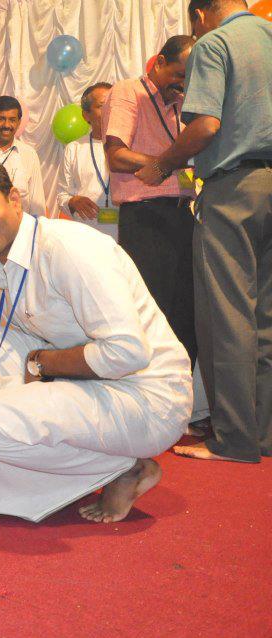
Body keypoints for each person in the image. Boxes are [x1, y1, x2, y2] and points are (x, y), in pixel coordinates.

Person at [0, 161, 192, 523]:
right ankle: (53, 467)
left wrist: (41, 363)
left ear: (14, 199)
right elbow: (36, 347)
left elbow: (127, 352)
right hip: (99, 385)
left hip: (147, 399)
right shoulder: (10, 263)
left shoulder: (67, 248)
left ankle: (125, 467)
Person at [135, 0, 272, 463]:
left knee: (226, 315)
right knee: (266, 317)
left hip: (233, 189)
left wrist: (162, 164)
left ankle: (234, 439)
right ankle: (264, 434)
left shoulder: (214, 43)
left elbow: (206, 125)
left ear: (199, 15)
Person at [103, 35, 197, 364]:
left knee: (186, 315)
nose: (182, 84)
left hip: (183, 216)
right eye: (178, 74)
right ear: (159, 62)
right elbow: (117, 156)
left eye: (189, 78)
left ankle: (181, 389)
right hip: (146, 220)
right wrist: (163, 164)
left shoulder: (182, 104)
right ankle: (150, 387)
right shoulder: (129, 91)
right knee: (152, 313)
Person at [56, 82, 118, 239]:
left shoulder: (130, 145)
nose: (109, 111)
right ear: (86, 115)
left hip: (124, 233)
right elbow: (62, 194)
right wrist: (73, 201)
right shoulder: (74, 148)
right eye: (102, 106)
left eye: (113, 105)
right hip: (86, 233)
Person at [0, 95, 48, 217]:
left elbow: (37, 204)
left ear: (19, 122)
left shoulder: (29, 154)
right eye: (1, 119)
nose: (7, 125)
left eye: (12, 120)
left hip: (20, 226)